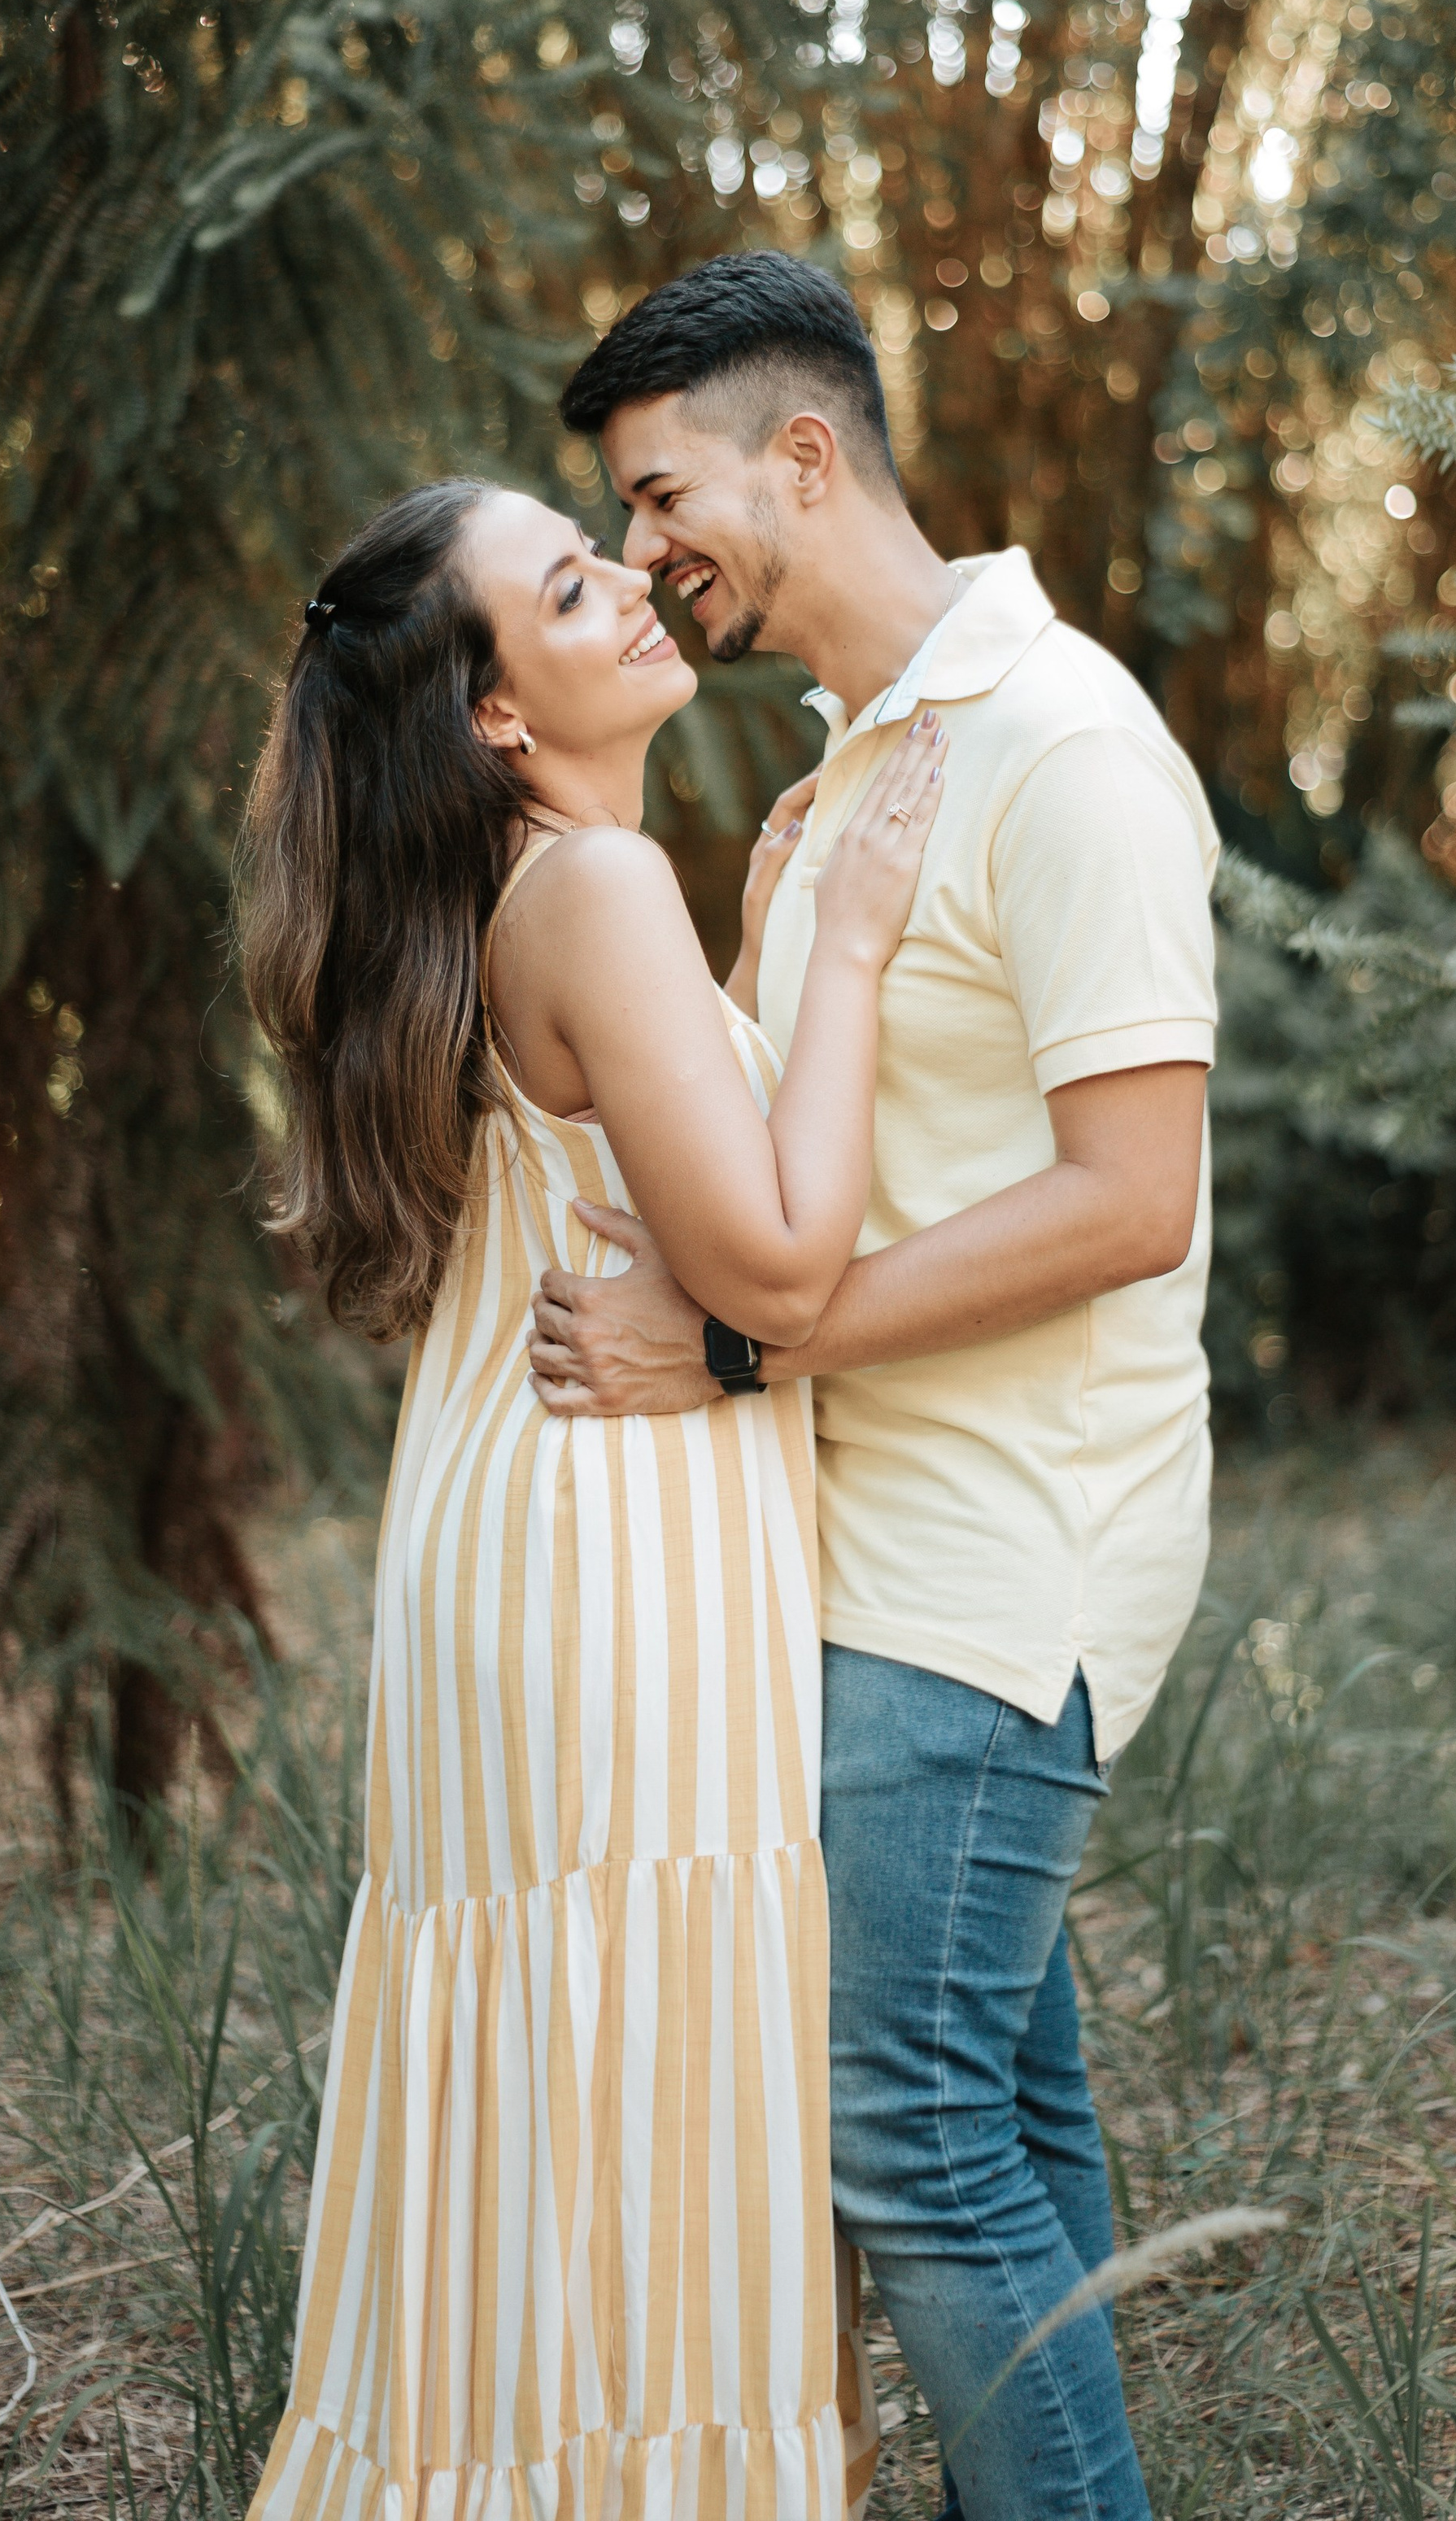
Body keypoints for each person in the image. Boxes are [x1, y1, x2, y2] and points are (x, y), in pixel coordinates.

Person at [530, 254, 1220, 2521]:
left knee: (904, 2136)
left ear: (800, 459)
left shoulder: (1069, 748)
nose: (644, 560)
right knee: (1002, 2114)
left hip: (1002, 1552)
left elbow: (1132, 1201)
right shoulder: (846, 786)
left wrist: (746, 1339)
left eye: (658, 500)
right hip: (870, 1528)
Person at [234, 473, 944, 2521]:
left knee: (558, 2073)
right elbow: (784, 1265)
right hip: (607, 1546)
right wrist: (851, 957)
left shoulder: (540, 890)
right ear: (493, 718)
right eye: (567, 582)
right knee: (633, 2062)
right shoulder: (591, 894)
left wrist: (741, 953)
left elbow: (645, 1162)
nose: (630, 577)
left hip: (521, 1511)